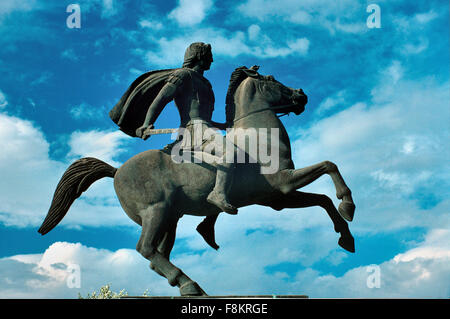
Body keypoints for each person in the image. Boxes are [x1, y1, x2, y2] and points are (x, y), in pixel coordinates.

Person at [109, 42, 235, 249]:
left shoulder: (206, 83)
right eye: (209, 56)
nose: (212, 60)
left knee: (233, 166)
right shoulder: (183, 75)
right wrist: (147, 122)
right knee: (229, 153)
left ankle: (209, 220)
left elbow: (204, 115)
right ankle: (217, 194)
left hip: (206, 128)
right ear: (199, 56)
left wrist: (223, 125)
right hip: (193, 130)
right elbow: (162, 98)